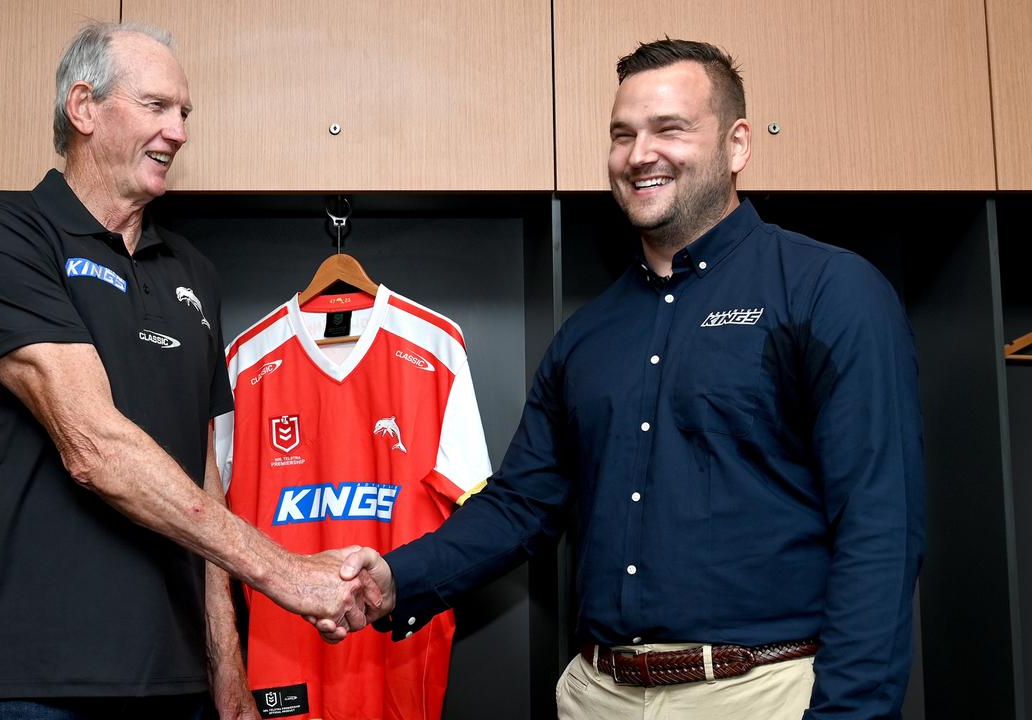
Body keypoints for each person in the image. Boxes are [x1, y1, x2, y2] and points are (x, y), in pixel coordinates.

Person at [337, 38, 925, 719]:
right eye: (623, 134)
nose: (640, 153)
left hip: (760, 694)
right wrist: (393, 578)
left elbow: (880, 528)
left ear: (737, 146)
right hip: (598, 695)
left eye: (670, 128)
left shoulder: (831, 291)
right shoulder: (588, 336)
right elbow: (520, 506)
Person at [0, 22, 374, 720]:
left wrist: (228, 682)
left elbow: (204, 483)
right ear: (83, 108)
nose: (178, 131)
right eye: (156, 106)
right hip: (30, 689)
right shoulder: (2, 234)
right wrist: (287, 573)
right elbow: (95, 448)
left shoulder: (194, 275)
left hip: (177, 690)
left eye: (185, 113)